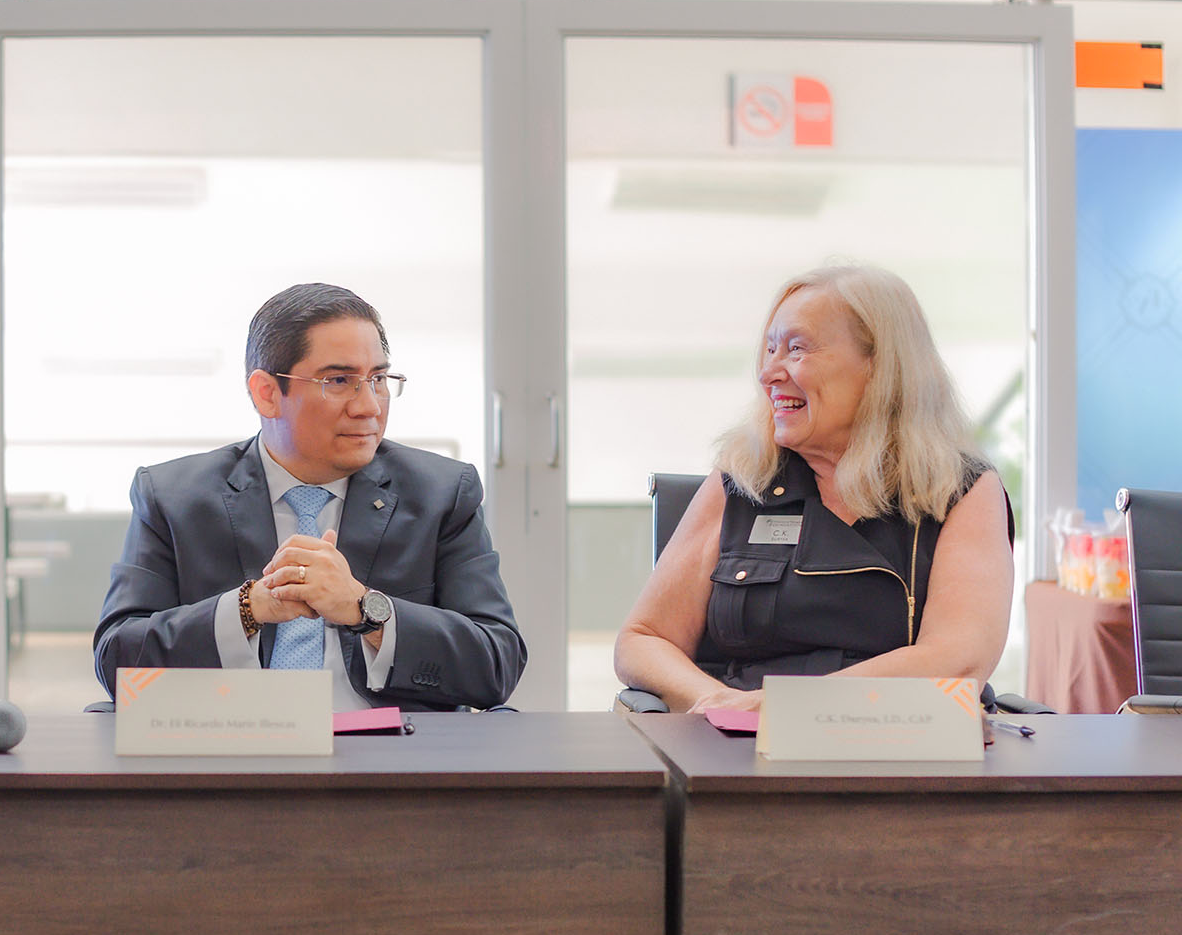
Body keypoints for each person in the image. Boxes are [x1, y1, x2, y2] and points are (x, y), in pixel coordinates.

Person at [94, 283, 526, 711]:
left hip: (388, 760)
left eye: (377, 379)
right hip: (230, 748)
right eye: (339, 380)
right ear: (267, 393)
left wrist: (364, 610)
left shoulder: (442, 493)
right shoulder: (173, 497)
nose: (370, 407)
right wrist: (248, 608)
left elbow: (497, 663)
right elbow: (118, 661)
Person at [614, 264, 1014, 713]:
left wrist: (789, 708)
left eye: (796, 349)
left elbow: (958, 659)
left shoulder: (959, 491)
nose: (768, 373)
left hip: (894, 748)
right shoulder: (743, 480)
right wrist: (714, 698)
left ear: (879, 365)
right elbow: (643, 639)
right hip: (735, 749)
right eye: (769, 350)